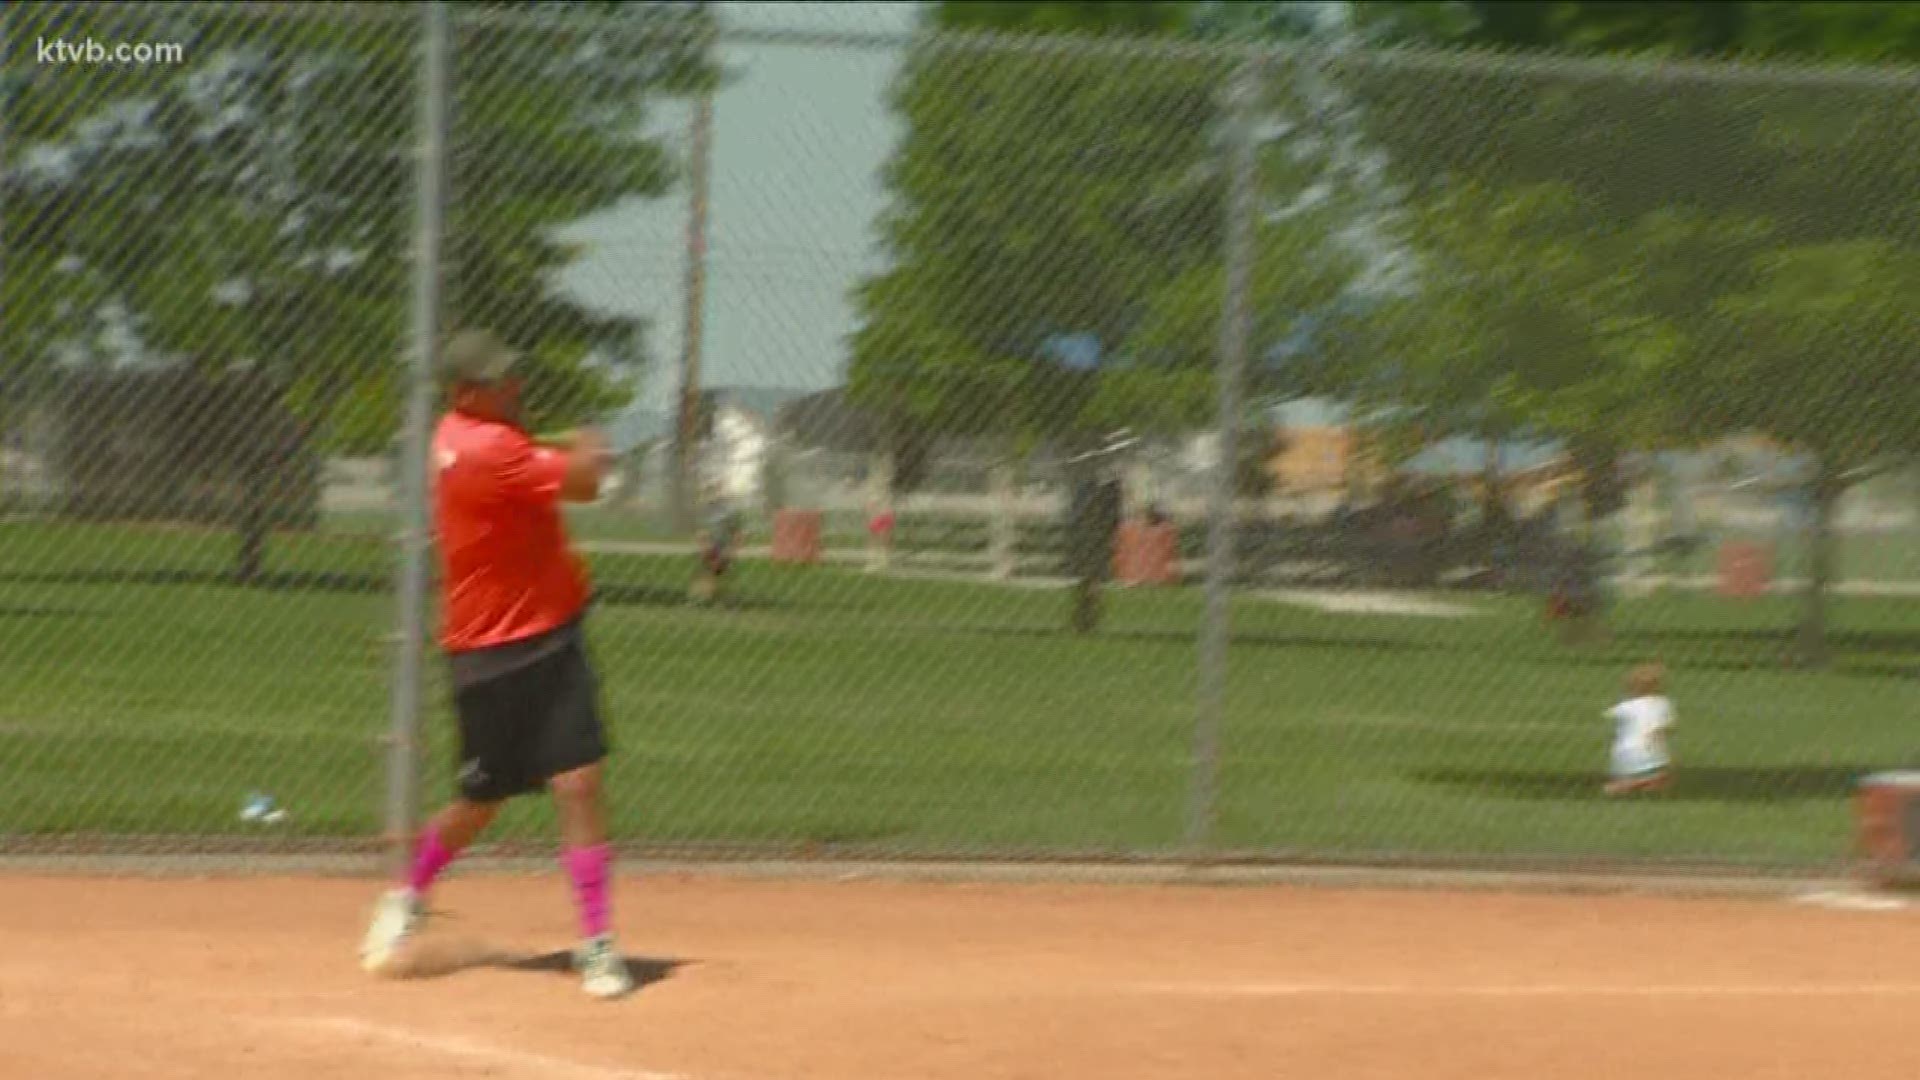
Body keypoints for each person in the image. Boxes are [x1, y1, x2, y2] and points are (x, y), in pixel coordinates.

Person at [360, 328, 633, 1000]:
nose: (514, 386)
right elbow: (588, 485)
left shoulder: (476, 437)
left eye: (512, 375)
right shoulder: (485, 449)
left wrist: (558, 450)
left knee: (578, 782)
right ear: (462, 393)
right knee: (482, 800)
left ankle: (596, 943)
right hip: (487, 651)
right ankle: (409, 894)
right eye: (497, 381)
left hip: (552, 640)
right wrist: (592, 444)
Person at [1604, 662, 1675, 796]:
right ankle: (1637, 783)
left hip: (1621, 754)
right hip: (1648, 752)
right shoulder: (1663, 704)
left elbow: (1610, 714)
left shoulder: (1626, 706)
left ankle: (1630, 782)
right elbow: (1661, 730)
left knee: (1637, 774)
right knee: (1664, 778)